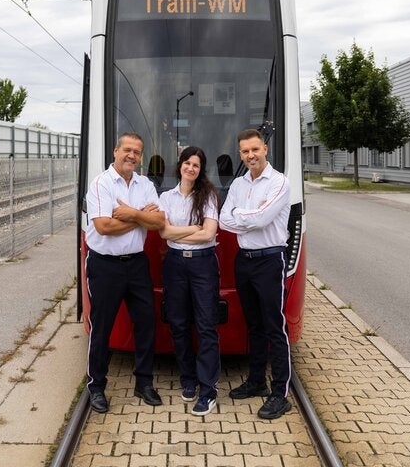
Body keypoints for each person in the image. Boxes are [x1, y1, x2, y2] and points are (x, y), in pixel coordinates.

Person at [84, 132, 166, 413]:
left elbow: (158, 222)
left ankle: (144, 383)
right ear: (115, 151)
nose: (132, 155)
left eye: (137, 152)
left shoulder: (145, 184)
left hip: (137, 264)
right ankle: (96, 387)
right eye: (127, 150)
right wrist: (141, 215)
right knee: (102, 327)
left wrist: (130, 213)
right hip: (105, 266)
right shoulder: (100, 184)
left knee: (146, 323)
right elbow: (104, 226)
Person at [218, 128, 293, 420]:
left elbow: (263, 219)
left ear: (265, 150)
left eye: (255, 150)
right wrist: (249, 216)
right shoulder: (238, 183)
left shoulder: (279, 183)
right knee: (254, 326)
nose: (250, 155)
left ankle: (280, 394)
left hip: (270, 260)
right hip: (244, 260)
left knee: (275, 326)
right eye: (245, 152)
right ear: (241, 154)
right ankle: (257, 381)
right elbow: (225, 220)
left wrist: (244, 215)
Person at [159, 146, 221, 416]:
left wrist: (178, 233)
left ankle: (208, 390)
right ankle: (188, 379)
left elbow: (209, 235)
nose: (191, 168)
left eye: (196, 165)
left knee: (206, 325)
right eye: (187, 163)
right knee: (178, 323)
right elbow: (163, 233)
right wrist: (193, 229)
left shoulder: (207, 196)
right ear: (180, 166)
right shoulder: (166, 197)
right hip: (174, 264)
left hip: (203, 264)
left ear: (200, 170)